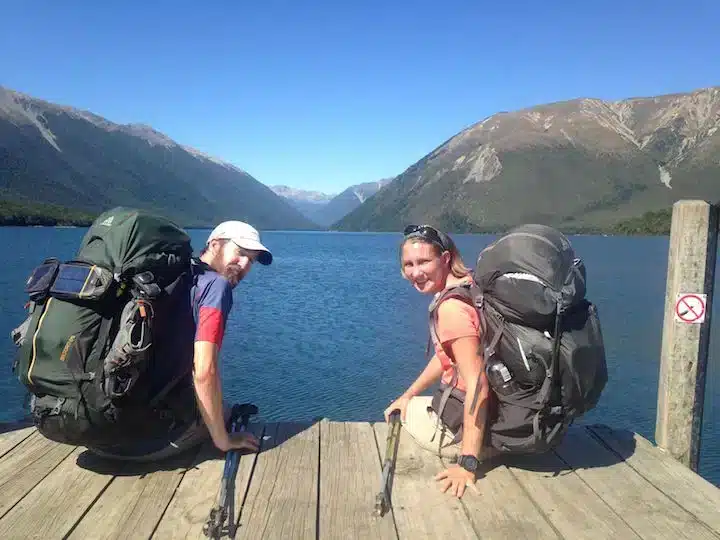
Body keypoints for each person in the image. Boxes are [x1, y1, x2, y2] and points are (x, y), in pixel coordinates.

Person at [86, 220, 272, 461]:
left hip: (96, 433)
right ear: (215, 244)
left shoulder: (169, 277)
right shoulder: (216, 288)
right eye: (240, 253)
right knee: (223, 411)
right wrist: (223, 440)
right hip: (140, 445)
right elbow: (204, 371)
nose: (245, 264)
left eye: (252, 260)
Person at [384, 224, 493, 498]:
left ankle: (478, 449)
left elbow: (478, 385)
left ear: (444, 259)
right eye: (408, 264)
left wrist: (467, 463)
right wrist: (408, 393)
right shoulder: (469, 284)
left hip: (481, 424)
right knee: (409, 403)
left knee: (402, 417)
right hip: (496, 412)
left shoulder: (451, 308)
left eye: (423, 262)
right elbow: (448, 356)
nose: (415, 272)